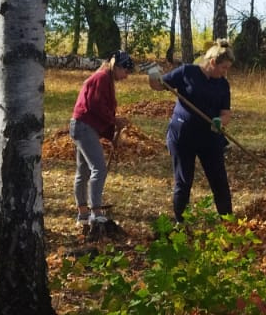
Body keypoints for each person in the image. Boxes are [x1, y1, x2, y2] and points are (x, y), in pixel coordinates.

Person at [152, 40, 235, 221]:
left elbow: (226, 114)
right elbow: (159, 85)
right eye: (223, 67)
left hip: (210, 138)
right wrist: (153, 76)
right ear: (212, 62)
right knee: (184, 181)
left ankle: (229, 222)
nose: (225, 72)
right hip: (183, 137)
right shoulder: (187, 72)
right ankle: (180, 223)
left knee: (219, 181)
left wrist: (220, 121)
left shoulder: (223, 85)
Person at [70, 50, 135, 236]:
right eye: (126, 71)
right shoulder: (102, 78)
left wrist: (112, 132)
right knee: (99, 168)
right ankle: (95, 212)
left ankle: (82, 213)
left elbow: (101, 109)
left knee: (83, 171)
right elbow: (96, 106)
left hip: (82, 126)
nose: (126, 76)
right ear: (117, 66)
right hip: (84, 127)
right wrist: (115, 121)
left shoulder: (105, 78)